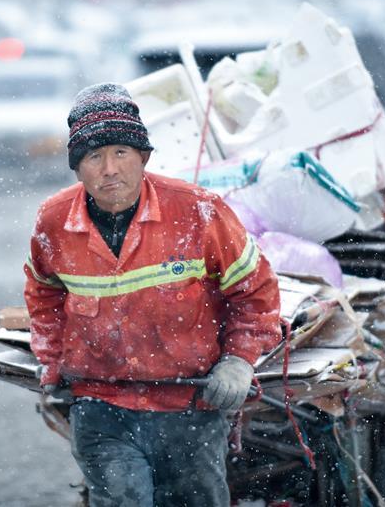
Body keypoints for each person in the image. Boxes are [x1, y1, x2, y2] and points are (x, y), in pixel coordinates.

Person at [24, 82, 281, 507]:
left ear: (143, 157)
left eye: (121, 153)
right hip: (101, 403)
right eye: (94, 156)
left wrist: (238, 361)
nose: (109, 169)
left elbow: (254, 291)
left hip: (190, 404)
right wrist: (51, 365)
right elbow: (44, 294)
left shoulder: (198, 211)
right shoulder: (53, 222)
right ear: (77, 167)